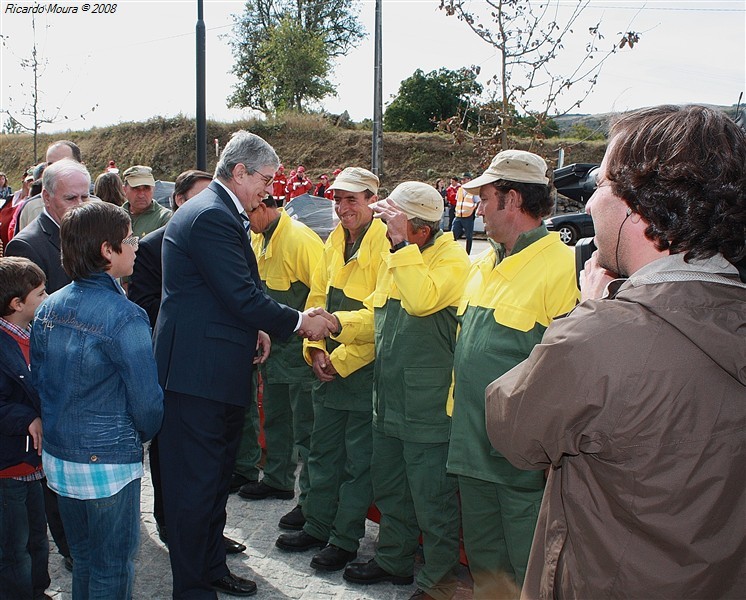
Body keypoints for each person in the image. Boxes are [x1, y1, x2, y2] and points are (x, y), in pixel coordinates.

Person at [485, 105, 746, 599]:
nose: (588, 205)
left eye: (599, 185)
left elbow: (512, 429)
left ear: (637, 205)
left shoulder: (602, 336)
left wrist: (588, 315)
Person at [153, 131, 333, 598]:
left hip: (212, 370)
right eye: (265, 179)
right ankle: (194, 588)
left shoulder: (217, 211)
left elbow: (222, 294)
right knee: (194, 491)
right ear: (239, 172)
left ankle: (211, 569)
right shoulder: (212, 215)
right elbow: (238, 294)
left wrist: (254, 327)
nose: (268, 191)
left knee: (212, 485)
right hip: (198, 378)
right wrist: (298, 321)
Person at [327, 182, 470, 600]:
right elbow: (376, 314)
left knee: (432, 499)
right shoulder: (401, 257)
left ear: (420, 230)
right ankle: (394, 559)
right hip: (388, 400)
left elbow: (422, 299)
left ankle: (439, 582)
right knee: (391, 487)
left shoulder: (452, 263)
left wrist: (401, 245)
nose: (386, 227)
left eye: (394, 219)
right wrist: (336, 324)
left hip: (427, 408)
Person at [446, 150, 579, 597]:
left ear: (512, 199)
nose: (477, 209)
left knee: (530, 562)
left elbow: (572, 370)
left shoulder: (562, 268)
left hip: (522, 460)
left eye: (485, 198)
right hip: (472, 443)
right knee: (485, 560)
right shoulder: (485, 264)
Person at [31, 201, 164, 599]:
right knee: (111, 568)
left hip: (60, 456)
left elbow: (41, 380)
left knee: (86, 560)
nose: (137, 245)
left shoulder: (50, 304)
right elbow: (148, 403)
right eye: (129, 239)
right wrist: (136, 435)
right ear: (107, 250)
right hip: (105, 462)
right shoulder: (125, 316)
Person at [275, 167, 390, 574]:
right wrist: (315, 349)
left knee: (358, 463)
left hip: (362, 374)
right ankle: (318, 524)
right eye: (338, 200)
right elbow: (317, 298)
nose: (342, 208)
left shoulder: (386, 246)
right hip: (329, 370)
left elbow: (380, 318)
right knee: (323, 454)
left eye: (351, 200)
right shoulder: (333, 240)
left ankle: (344, 539)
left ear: (371, 201)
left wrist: (336, 359)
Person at [127, 169, 247, 556]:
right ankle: (175, 531)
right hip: (178, 370)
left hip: (218, 373)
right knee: (175, 469)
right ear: (180, 203)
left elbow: (242, 292)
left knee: (212, 473)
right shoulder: (151, 247)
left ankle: (206, 541)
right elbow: (145, 307)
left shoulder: (228, 235)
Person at [236, 195, 324, 535]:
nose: (248, 219)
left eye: (251, 212)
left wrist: (315, 346)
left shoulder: (299, 239)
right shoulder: (260, 237)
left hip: (299, 350)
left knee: (306, 427)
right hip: (274, 349)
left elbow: (320, 293)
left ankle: (311, 500)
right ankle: (277, 478)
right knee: (275, 416)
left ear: (267, 206)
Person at [0, 257, 50, 600]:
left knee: (36, 536)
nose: (47, 298)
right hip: (9, 465)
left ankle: (37, 589)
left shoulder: (33, 332)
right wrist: (26, 417)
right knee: (12, 545)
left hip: (33, 465)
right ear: (17, 304)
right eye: (40, 294)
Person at [16, 141, 83, 233]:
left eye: (64, 164)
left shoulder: (98, 208)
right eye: (50, 165)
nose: (56, 170)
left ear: (81, 165)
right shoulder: (31, 207)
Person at [121, 165, 172, 239]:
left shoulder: (165, 218)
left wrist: (124, 243)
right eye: (135, 188)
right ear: (124, 190)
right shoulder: (115, 216)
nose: (141, 195)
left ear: (153, 189)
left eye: (146, 188)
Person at [451, 172, 477, 254]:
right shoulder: (460, 190)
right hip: (458, 216)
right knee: (452, 235)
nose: (463, 181)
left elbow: (478, 202)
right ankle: (452, 252)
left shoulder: (473, 190)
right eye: (462, 179)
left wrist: (474, 211)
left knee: (469, 237)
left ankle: (467, 253)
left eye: (464, 179)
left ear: (469, 180)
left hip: (468, 216)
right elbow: (457, 201)